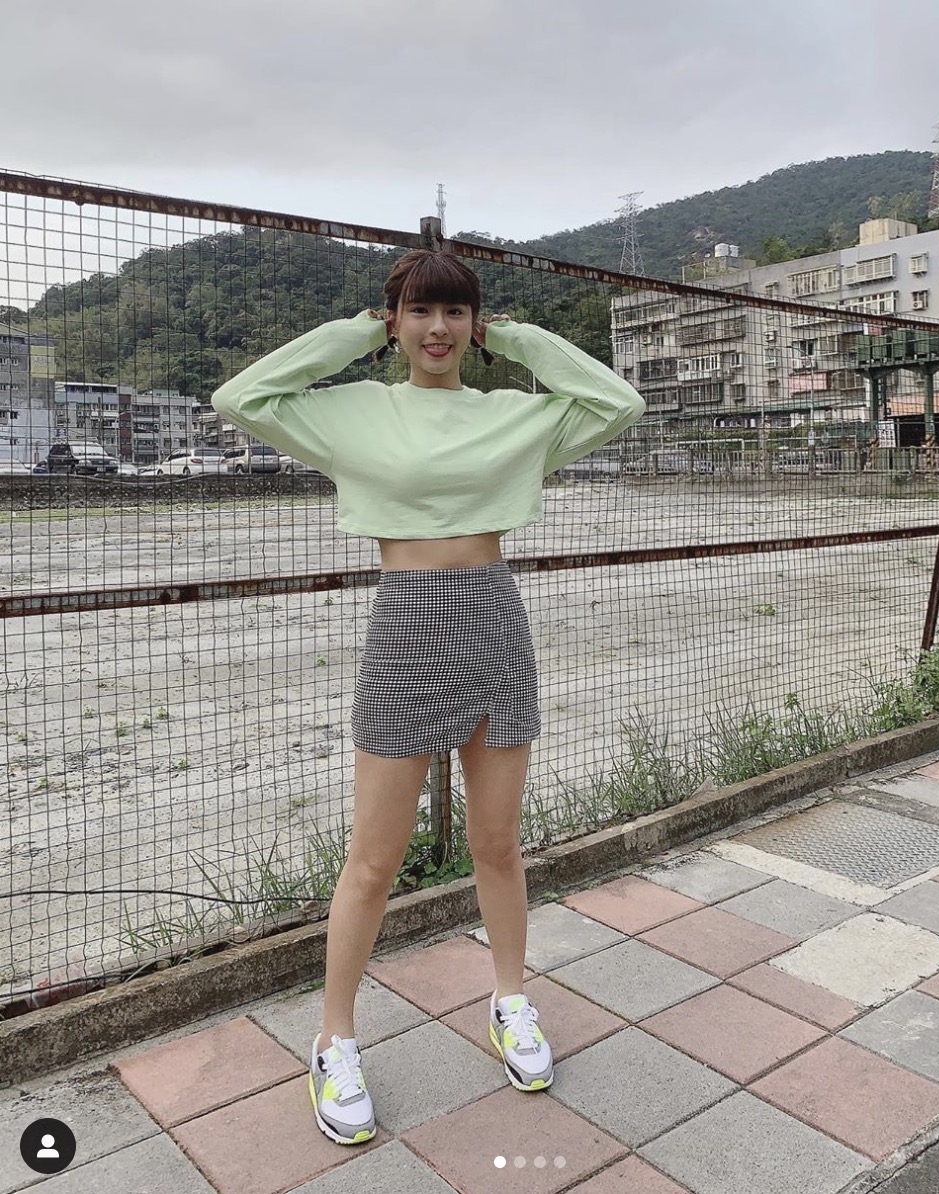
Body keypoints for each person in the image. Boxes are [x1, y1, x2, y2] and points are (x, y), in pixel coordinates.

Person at [212, 249, 645, 1145]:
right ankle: (334, 1042)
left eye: (455, 312)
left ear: (474, 326)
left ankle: (510, 1000)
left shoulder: (514, 415)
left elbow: (619, 404)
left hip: (494, 617)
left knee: (497, 843)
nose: (438, 329)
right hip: (406, 622)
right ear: (396, 323)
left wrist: (518, 340)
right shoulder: (354, 411)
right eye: (419, 311)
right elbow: (241, 398)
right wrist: (352, 335)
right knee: (374, 860)